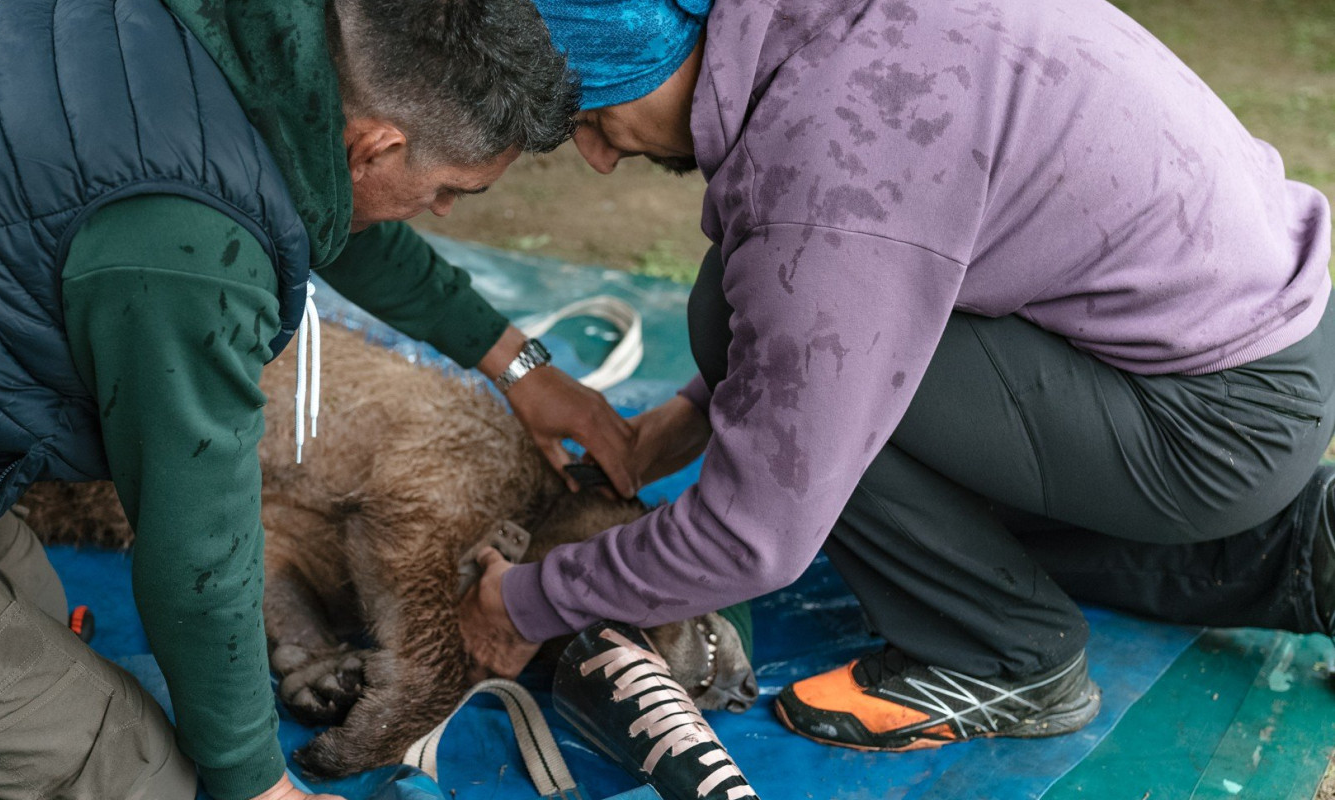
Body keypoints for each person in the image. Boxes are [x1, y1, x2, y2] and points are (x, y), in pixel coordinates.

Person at [0, 0, 638, 798]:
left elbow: (329, 199)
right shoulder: (187, 251)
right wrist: (255, 780)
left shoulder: (241, 37)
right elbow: (195, 549)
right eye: (448, 193)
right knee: (144, 775)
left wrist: (517, 361)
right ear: (378, 141)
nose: (440, 214)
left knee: (43, 620)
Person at [461, 0, 1335, 754]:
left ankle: (1001, 657)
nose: (599, 156)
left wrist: (530, 602)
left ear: (651, 57)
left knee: (763, 354)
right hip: (1265, 339)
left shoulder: (825, 158)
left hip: (1209, 420)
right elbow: (906, 254)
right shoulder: (821, 33)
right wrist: (694, 414)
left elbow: (757, 535)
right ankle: (1311, 549)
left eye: (592, 116)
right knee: (780, 345)